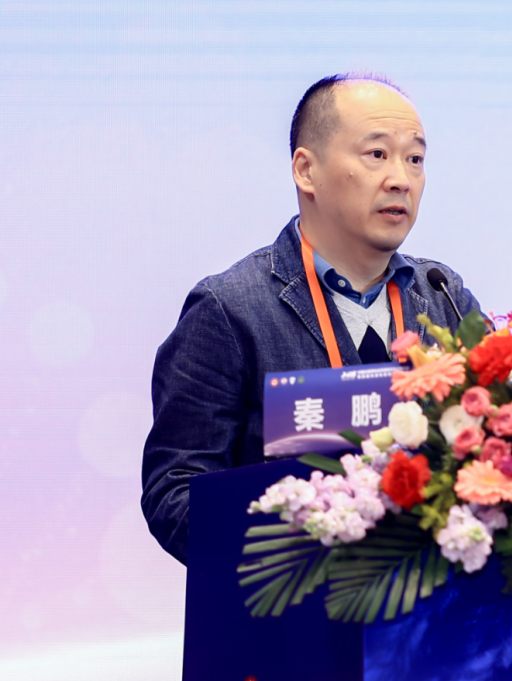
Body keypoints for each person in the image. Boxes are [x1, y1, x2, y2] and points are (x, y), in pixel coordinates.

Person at [142, 74, 480, 565]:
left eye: (414, 159)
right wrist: (306, 539)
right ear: (306, 170)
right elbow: (174, 495)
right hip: (297, 599)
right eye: (377, 154)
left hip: (432, 599)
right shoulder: (229, 309)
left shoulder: (443, 297)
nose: (401, 180)